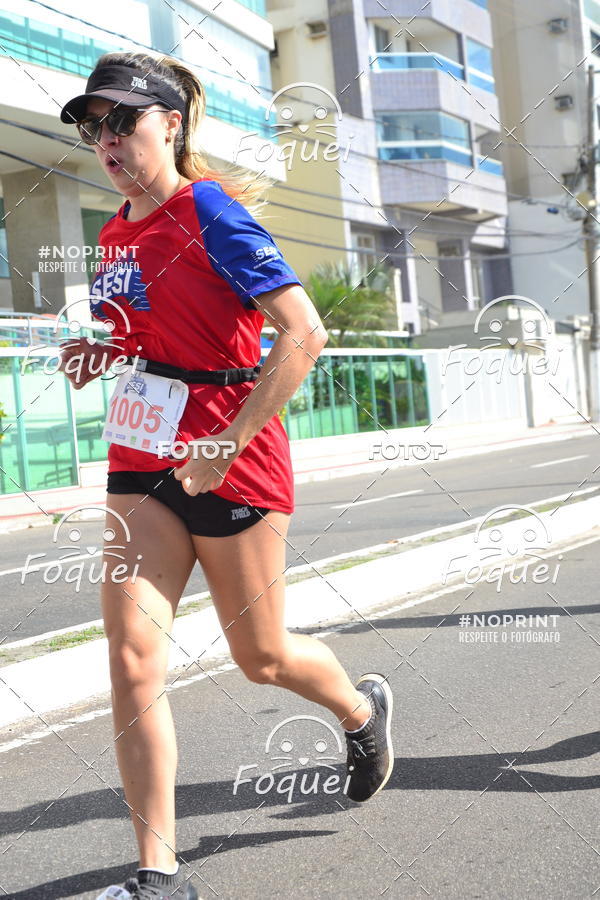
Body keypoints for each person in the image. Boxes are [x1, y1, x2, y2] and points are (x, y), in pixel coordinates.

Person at [58, 50, 394, 900]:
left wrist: (230, 441)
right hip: (143, 457)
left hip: (230, 459)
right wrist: (106, 350)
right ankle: (158, 873)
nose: (107, 140)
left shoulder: (212, 212)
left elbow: (304, 333)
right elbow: (148, 332)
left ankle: (359, 711)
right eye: (94, 127)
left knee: (263, 657)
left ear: (170, 124)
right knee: (132, 660)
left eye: (122, 121)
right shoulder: (113, 232)